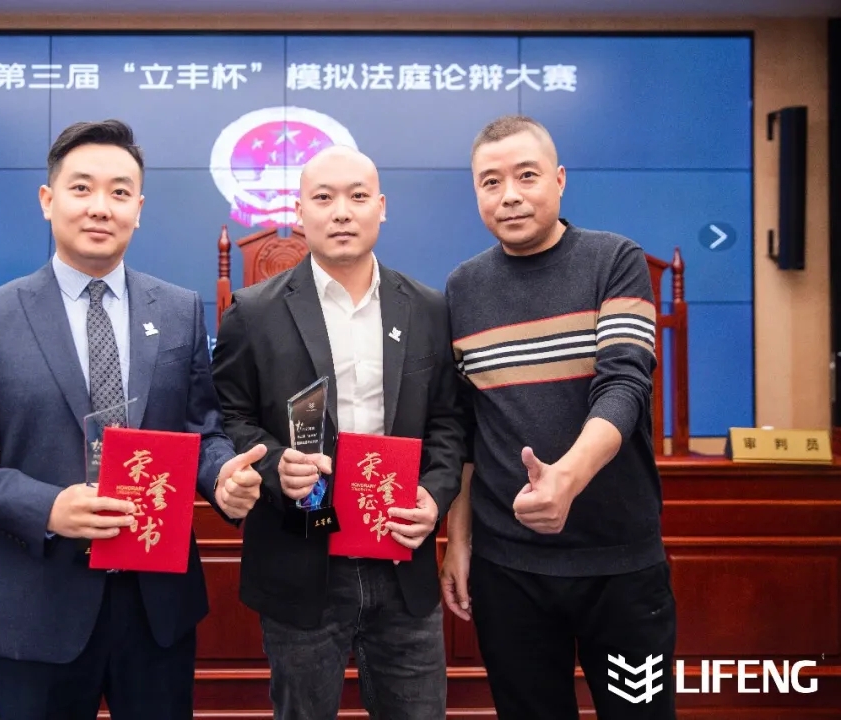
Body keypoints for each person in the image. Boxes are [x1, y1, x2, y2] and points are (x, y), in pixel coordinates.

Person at [0, 119, 267, 720]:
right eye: (81, 188)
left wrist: (223, 478)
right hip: (38, 604)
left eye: (119, 192)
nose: (100, 207)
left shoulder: (179, 310)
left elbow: (201, 431)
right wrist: (47, 507)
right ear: (48, 199)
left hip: (156, 608)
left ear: (139, 209)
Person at [211, 145, 465, 720]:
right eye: (323, 198)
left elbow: (449, 421)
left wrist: (435, 495)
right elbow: (230, 417)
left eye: (357, 196)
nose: (342, 211)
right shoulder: (252, 312)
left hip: (400, 554)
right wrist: (273, 466)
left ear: (382, 207)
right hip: (301, 559)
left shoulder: (427, 308)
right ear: (300, 212)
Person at [440, 114, 677, 719]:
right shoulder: (462, 288)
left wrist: (565, 480)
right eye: (491, 182)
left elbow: (625, 383)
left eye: (527, 175)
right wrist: (459, 541)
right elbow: (464, 430)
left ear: (560, 179)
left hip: (619, 564)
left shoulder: (613, 260)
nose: (509, 195)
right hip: (507, 570)